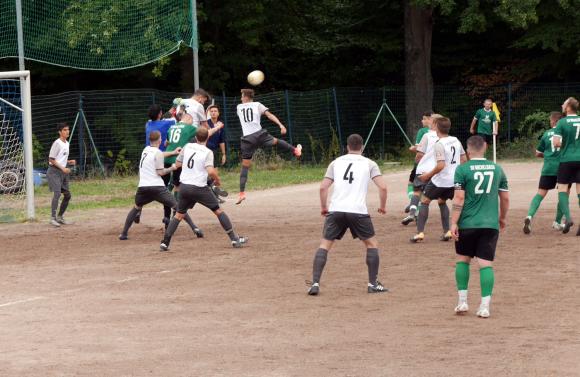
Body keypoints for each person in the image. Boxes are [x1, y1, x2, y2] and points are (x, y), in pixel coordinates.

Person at [307, 134, 388, 296]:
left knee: (325, 245)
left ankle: (315, 283)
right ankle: (372, 284)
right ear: (362, 147)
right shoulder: (369, 163)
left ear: (347, 147)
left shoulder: (336, 162)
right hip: (357, 210)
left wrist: (324, 207)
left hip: (336, 209)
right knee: (371, 244)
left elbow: (323, 188)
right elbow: (383, 187)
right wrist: (382, 206)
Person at [450, 135, 509, 318]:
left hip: (467, 223)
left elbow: (459, 197)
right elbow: (505, 198)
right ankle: (484, 307)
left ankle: (462, 302)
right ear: (485, 147)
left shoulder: (462, 169)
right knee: (485, 265)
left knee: (462, 260)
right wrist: (502, 218)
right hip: (490, 224)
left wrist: (453, 222)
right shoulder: (497, 169)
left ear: (467, 151)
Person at [160, 127, 247, 251]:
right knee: (218, 211)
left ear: (195, 137)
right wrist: (217, 180)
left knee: (179, 215)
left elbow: (178, 164)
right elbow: (211, 171)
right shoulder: (207, 152)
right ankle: (234, 239)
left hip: (184, 187)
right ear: (207, 137)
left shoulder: (187, 146)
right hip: (199, 188)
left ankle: (165, 242)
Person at [119, 131, 203, 240]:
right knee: (178, 207)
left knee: (136, 207)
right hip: (157, 188)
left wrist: (173, 152)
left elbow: (159, 154)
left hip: (142, 187)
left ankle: (124, 233)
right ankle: (195, 228)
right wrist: (172, 168)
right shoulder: (157, 153)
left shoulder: (146, 150)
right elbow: (160, 172)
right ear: (159, 140)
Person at [235, 88, 302, 204]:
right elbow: (269, 115)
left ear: (246, 97)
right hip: (259, 134)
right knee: (276, 141)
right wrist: (281, 125)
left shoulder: (238, 107)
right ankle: (295, 151)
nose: (241, 98)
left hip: (247, 139)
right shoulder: (257, 105)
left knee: (245, 167)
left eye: (242, 96)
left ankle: (241, 193)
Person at [410, 117, 466, 243]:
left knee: (424, 201)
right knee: (442, 201)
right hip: (454, 179)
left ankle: (420, 233)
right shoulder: (455, 140)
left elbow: (441, 165)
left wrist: (427, 175)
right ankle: (447, 232)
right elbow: (464, 159)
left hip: (440, 180)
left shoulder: (439, 144)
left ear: (437, 128)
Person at [165, 113, 224, 225]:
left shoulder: (172, 126)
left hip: (169, 158)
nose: (192, 123)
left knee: (174, 185)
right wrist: (218, 127)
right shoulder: (189, 128)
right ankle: (178, 209)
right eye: (192, 121)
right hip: (181, 159)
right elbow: (205, 134)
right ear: (188, 118)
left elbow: (166, 142)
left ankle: (170, 213)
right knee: (192, 178)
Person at [524, 111, 568, 233]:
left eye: (550, 121)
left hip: (548, 168)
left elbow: (537, 153)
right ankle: (557, 222)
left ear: (554, 121)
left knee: (540, 194)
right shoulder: (565, 133)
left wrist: (548, 155)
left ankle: (529, 216)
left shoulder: (546, 134)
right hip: (562, 168)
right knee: (563, 194)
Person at [402, 114, 442, 225]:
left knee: (417, 192)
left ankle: (413, 212)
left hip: (423, 168)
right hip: (437, 169)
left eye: (428, 120)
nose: (426, 122)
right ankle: (447, 228)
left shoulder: (426, 135)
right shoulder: (444, 137)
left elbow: (419, 152)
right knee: (438, 197)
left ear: (433, 123)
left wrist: (416, 159)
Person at [143, 104, 177, 225]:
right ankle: (167, 216)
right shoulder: (167, 124)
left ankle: (138, 209)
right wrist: (177, 110)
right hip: (162, 158)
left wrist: (168, 111)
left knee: (145, 186)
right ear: (160, 114)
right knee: (165, 189)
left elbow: (161, 118)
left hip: (148, 159)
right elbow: (175, 119)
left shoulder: (148, 124)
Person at [552, 97, 580, 235]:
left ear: (568, 107)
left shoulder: (562, 122)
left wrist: (566, 145)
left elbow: (556, 143)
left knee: (562, 189)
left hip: (566, 160)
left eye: (564, 103)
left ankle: (568, 218)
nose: (562, 105)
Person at [47, 123, 76, 227]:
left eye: (68, 129)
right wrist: (63, 168)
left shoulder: (67, 143)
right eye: (64, 130)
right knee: (57, 193)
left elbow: (60, 159)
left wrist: (68, 162)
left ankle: (60, 217)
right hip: (54, 172)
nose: (67, 131)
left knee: (67, 195)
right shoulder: (57, 143)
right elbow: (51, 159)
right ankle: (52, 218)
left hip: (62, 173)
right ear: (60, 132)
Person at [404, 112, 433, 212]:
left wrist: (413, 148)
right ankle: (414, 204)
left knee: (411, 184)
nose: (422, 121)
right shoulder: (440, 131)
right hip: (434, 165)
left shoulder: (422, 131)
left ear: (430, 119)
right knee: (426, 187)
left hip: (421, 163)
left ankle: (414, 207)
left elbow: (419, 149)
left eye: (424, 119)